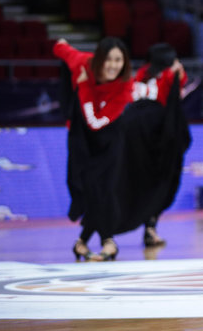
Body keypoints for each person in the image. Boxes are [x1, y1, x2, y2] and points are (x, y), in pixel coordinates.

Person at [54, 36, 133, 261]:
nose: (113, 65)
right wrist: (62, 43)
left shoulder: (126, 86)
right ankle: (85, 243)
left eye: (118, 60)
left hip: (109, 140)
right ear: (98, 59)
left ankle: (106, 241)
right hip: (81, 140)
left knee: (106, 190)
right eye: (108, 59)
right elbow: (60, 48)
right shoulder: (82, 63)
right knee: (89, 190)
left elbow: (96, 121)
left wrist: (83, 86)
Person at [131, 42, 189, 249]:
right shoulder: (170, 75)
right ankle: (150, 227)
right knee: (163, 184)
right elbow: (177, 95)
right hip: (161, 139)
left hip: (137, 138)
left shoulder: (139, 75)